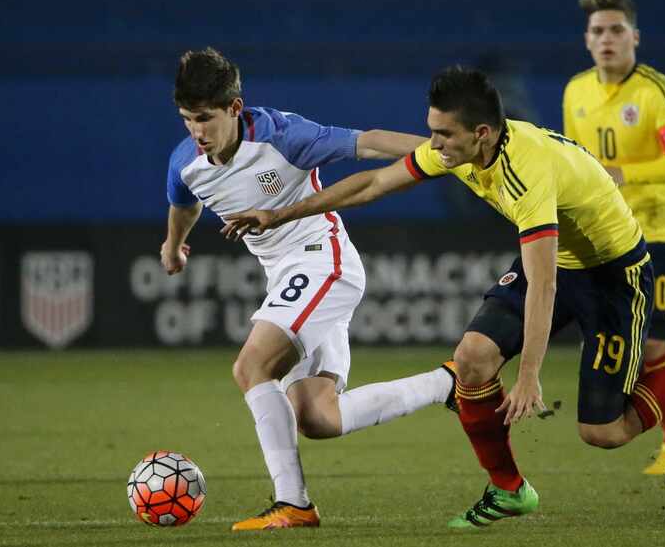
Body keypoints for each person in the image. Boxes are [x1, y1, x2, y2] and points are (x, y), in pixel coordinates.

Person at [221, 65, 665, 529]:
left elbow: (545, 284)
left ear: (482, 135)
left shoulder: (527, 171)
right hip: (559, 262)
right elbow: (373, 183)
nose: (433, 145)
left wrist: (531, 374)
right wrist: (283, 213)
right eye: (432, 131)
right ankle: (509, 489)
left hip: (613, 272)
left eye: (443, 135)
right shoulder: (459, 153)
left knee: (604, 432)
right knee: (471, 359)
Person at [162, 47, 458, 531]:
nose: (196, 131)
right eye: (186, 119)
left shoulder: (283, 137)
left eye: (204, 118)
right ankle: (449, 382)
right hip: (289, 279)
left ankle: (292, 503)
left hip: (324, 262)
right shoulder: (185, 162)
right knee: (318, 418)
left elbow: (369, 143)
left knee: (251, 366)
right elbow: (184, 201)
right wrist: (173, 246)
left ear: (234, 108)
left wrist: (441, 150)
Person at [563, 0, 665, 476]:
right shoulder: (575, 92)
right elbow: (575, 166)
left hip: (659, 231)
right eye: (598, 32)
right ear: (586, 40)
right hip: (607, 239)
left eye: (616, 30)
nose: (607, 39)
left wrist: (624, 172)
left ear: (635, 38)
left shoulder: (658, 92)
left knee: (655, 348)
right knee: (619, 343)